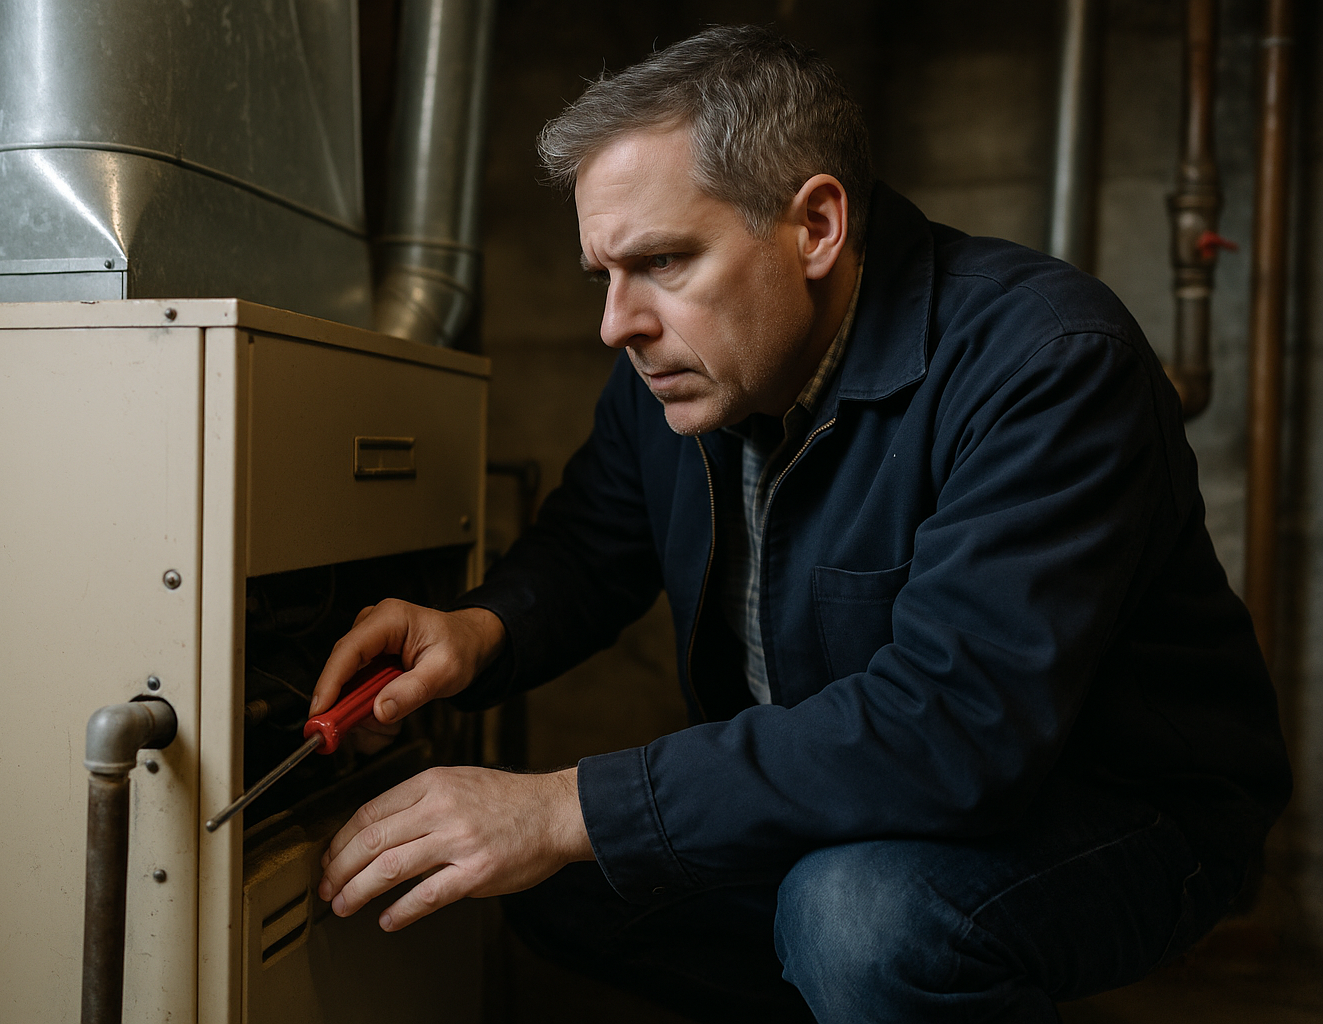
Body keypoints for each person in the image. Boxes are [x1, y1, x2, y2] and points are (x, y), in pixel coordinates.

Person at [308, 24, 1292, 1022]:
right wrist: (476, 632)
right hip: (843, 795)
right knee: (552, 879)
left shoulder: (1045, 362)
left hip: (1113, 810)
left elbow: (950, 729)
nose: (618, 324)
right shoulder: (672, 369)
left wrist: (563, 806)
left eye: (661, 261)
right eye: (602, 275)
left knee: (856, 919)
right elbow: (592, 543)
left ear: (816, 225)